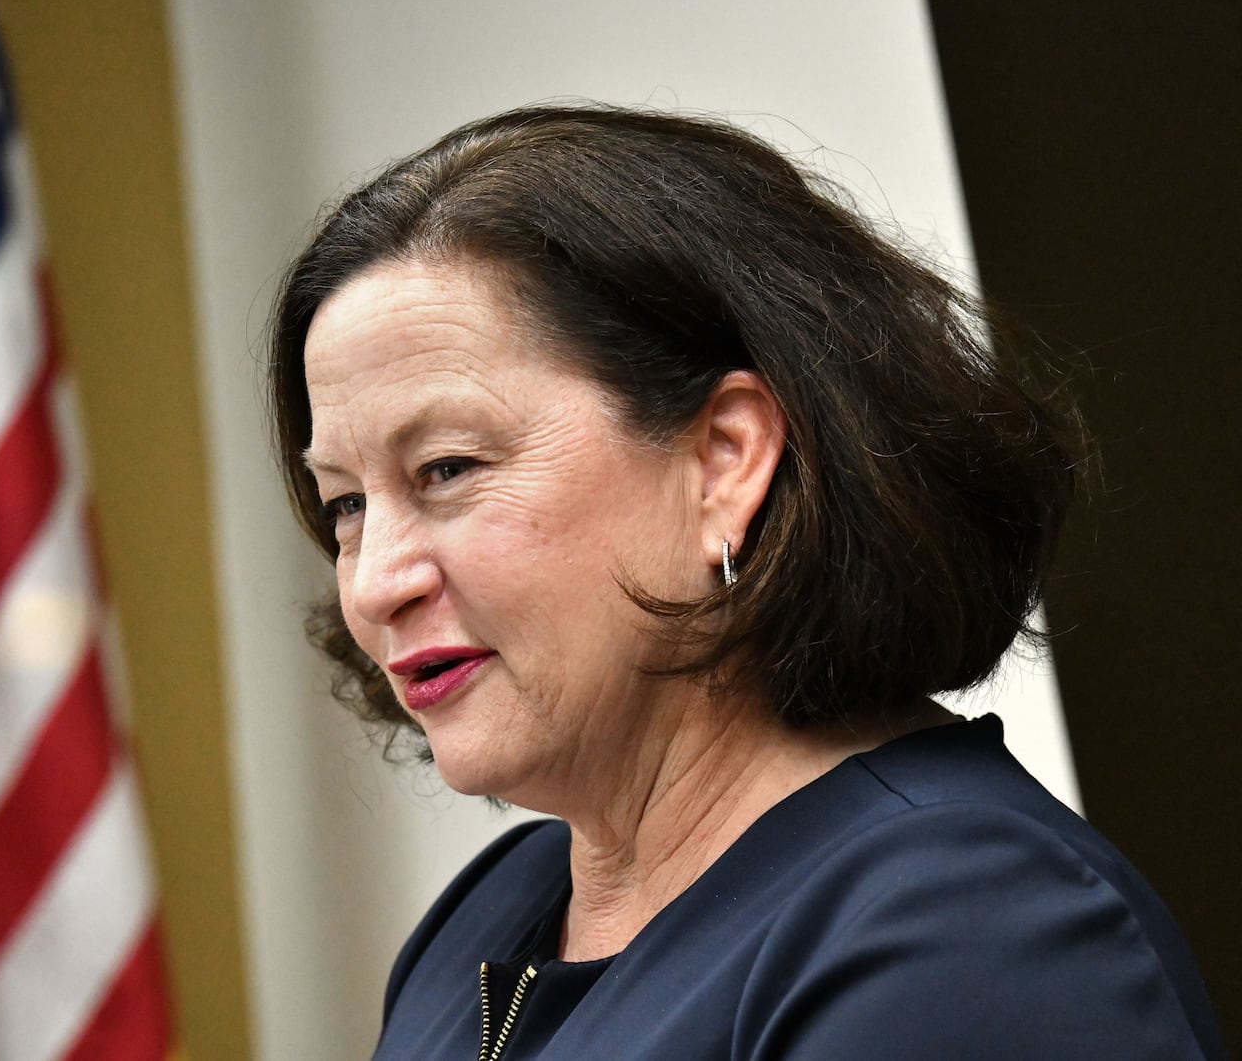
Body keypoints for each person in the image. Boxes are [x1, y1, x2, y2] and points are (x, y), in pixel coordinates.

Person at [267, 105, 1227, 1059]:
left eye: (448, 468)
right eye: (346, 503)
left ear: (724, 461)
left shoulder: (968, 927)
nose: (374, 584)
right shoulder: (482, 920)